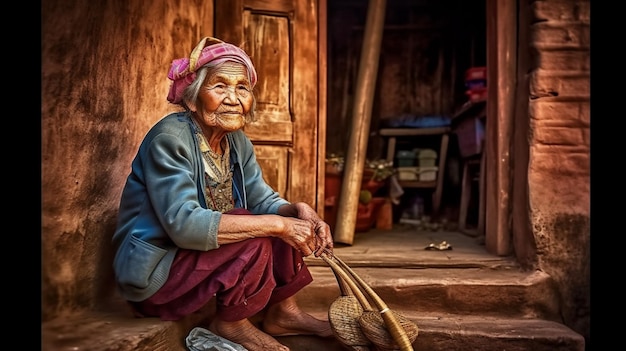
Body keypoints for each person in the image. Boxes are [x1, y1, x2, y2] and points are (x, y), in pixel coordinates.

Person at [112, 36, 334, 351]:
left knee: (276, 221)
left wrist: (298, 211)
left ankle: (284, 313)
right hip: (157, 276)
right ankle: (232, 323)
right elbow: (183, 224)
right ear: (191, 98)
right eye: (219, 87)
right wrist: (277, 224)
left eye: (242, 88)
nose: (233, 97)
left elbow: (262, 199)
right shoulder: (169, 139)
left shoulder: (237, 142)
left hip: (196, 261)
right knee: (258, 228)